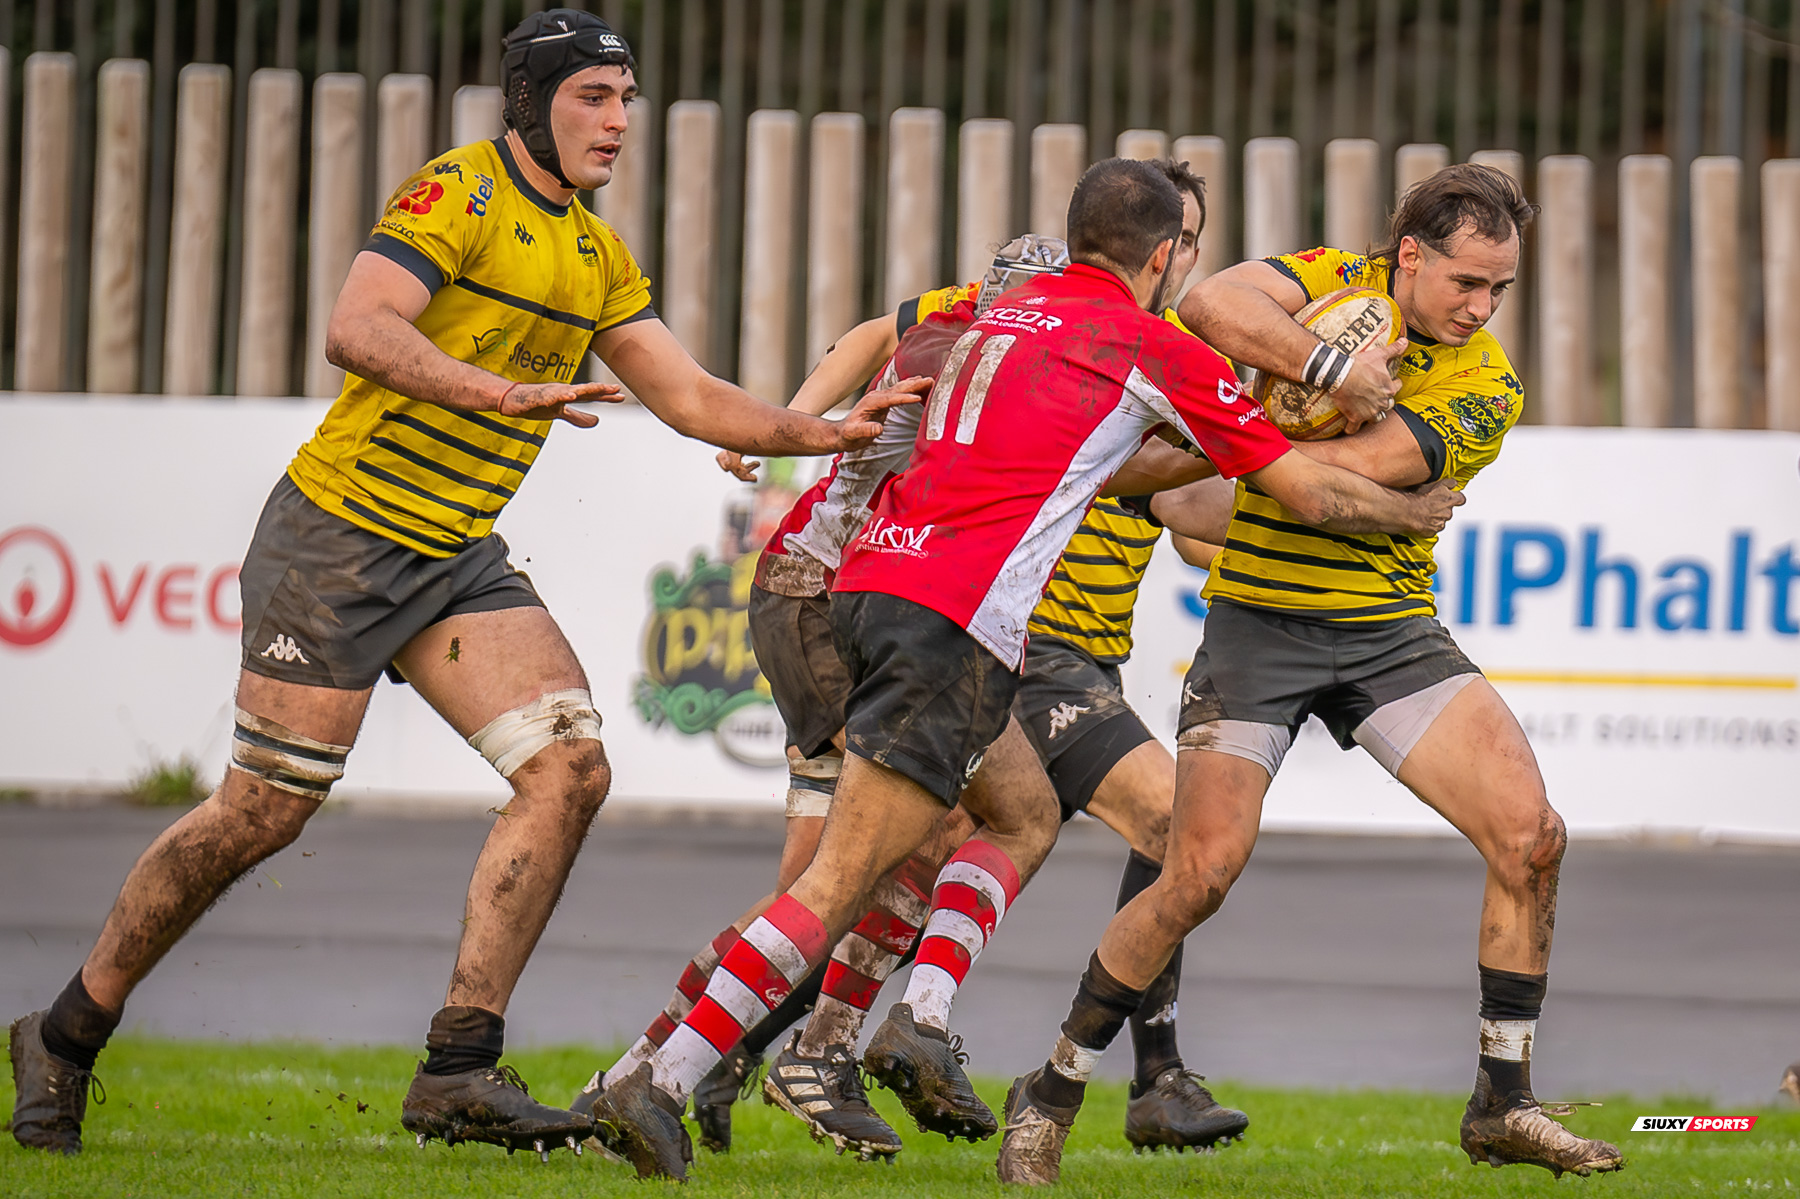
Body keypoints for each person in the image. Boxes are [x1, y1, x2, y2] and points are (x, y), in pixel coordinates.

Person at [5, 9, 920, 1161]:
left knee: (569, 767)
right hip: (340, 538)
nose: (619, 121)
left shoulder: (593, 252)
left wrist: (823, 431)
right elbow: (356, 326)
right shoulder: (459, 192)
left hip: (451, 555)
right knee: (261, 812)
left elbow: (690, 396)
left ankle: (458, 1064)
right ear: (532, 103)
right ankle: (65, 1031)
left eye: (627, 100)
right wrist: (491, 391)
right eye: (595, 97)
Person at [595, 157, 1461, 1181]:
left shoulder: (998, 309)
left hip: (864, 586)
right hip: (948, 619)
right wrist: (1406, 502)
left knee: (1019, 815)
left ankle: (907, 1020)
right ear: (1163, 256)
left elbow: (907, 352)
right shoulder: (1150, 345)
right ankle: (667, 1076)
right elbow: (1301, 492)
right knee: (836, 879)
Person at [995, 163, 1624, 1185]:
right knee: (1196, 874)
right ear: (1408, 255)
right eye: (1467, 281)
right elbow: (1210, 301)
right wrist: (1325, 370)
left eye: (1501, 288)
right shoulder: (1333, 277)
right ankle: (1054, 1085)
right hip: (1258, 626)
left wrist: (1247, 411)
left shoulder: (1488, 385)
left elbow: (1346, 476)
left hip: (1387, 632)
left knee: (1532, 836)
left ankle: (1502, 1101)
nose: (1482, 308)